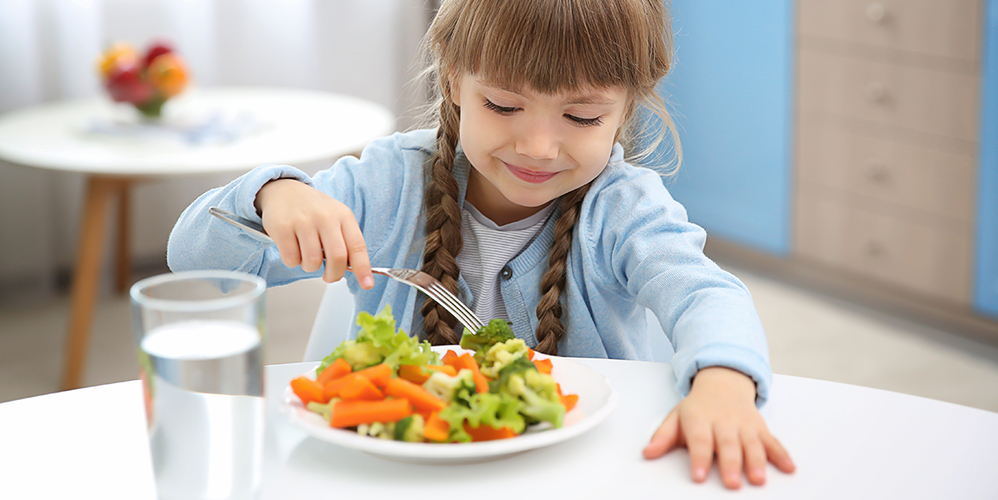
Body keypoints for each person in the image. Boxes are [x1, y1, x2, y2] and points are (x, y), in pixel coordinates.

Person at [167, 0, 795, 489]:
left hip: (585, 475)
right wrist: (273, 195)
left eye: (581, 118)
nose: (539, 148)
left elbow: (705, 294)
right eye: (502, 105)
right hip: (395, 474)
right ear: (453, 84)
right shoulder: (390, 183)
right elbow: (193, 257)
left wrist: (723, 384)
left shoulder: (624, 209)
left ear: (627, 109)